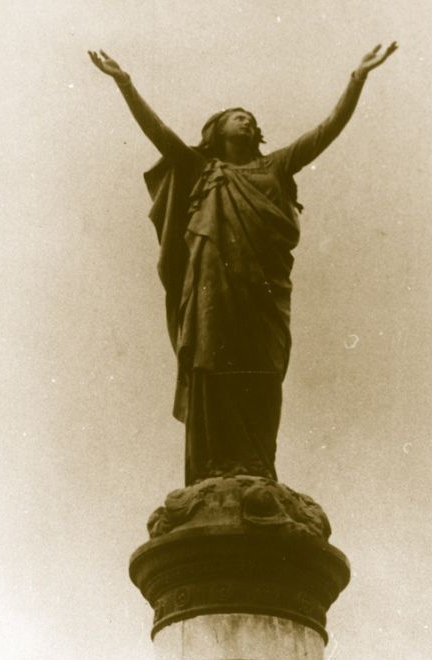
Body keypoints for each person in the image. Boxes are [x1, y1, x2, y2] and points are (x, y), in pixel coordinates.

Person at [88, 43, 398, 485]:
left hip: (263, 290)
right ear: (216, 130)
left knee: (263, 369)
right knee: (212, 360)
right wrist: (125, 83)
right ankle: (217, 466)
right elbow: (160, 134)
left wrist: (357, 79)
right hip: (212, 284)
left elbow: (326, 131)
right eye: (237, 115)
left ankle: (257, 466)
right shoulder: (199, 169)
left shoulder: (276, 166)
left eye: (251, 117)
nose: (247, 119)